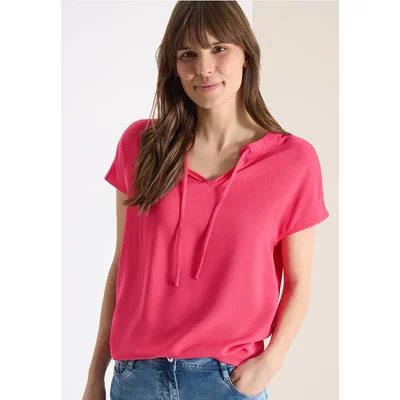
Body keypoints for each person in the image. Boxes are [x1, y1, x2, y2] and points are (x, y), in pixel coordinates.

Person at [82, 1, 329, 399]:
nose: (204, 68)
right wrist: (96, 374)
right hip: (137, 380)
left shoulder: (292, 161)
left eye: (219, 49)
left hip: (227, 381)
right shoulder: (140, 146)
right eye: (188, 54)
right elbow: (122, 262)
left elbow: (298, 281)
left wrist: (272, 360)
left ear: (246, 53)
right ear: (173, 66)